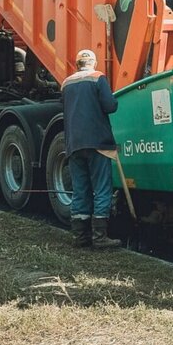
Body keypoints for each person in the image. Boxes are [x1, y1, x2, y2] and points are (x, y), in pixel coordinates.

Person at [61, 48, 120, 249]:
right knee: (101, 188)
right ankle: (100, 237)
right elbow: (110, 106)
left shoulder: (66, 83)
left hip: (74, 144)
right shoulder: (98, 78)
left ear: (76, 64)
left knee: (80, 190)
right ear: (93, 63)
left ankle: (80, 236)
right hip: (97, 143)